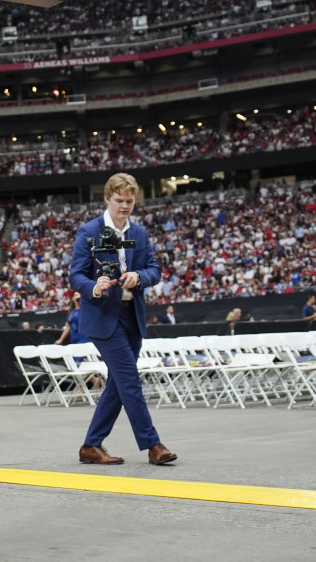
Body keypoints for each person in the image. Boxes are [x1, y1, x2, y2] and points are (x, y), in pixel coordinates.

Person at [70, 172, 176, 467]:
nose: (125, 206)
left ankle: (91, 446)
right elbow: (75, 275)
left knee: (118, 383)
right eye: (119, 201)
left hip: (133, 315)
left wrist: (138, 276)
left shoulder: (139, 233)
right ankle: (153, 445)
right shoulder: (88, 231)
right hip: (103, 317)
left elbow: (154, 270)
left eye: (129, 201)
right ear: (107, 199)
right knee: (129, 380)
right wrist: (93, 286)